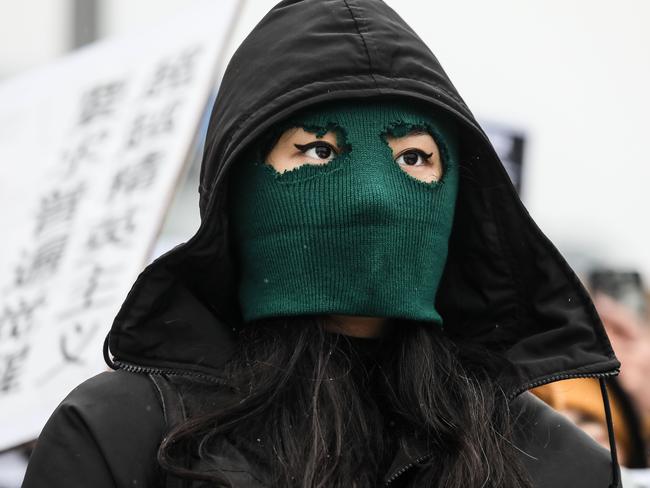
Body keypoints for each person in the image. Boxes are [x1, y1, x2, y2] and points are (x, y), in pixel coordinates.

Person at [22, 0, 623, 487]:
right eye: (319, 151)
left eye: (414, 157)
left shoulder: (555, 464)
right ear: (239, 188)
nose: (373, 197)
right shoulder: (120, 438)